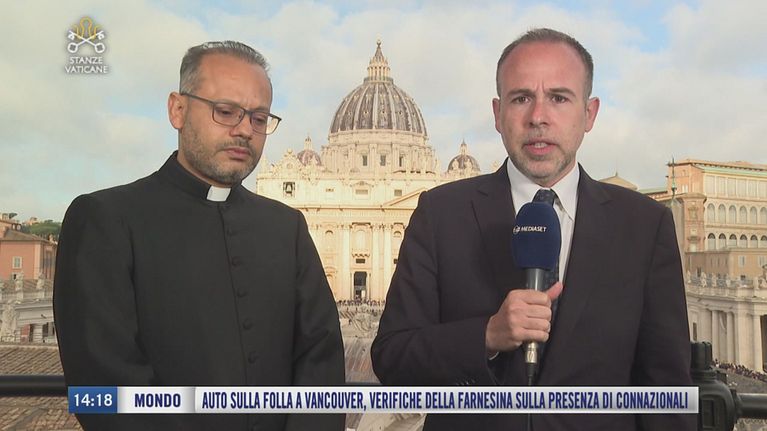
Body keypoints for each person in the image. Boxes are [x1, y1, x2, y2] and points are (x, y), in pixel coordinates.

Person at [371, 28, 694, 430]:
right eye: (521, 98)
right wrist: (486, 335)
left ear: (589, 113)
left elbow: (667, 392)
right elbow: (392, 357)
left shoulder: (645, 225)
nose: (538, 117)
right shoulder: (440, 214)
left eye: (559, 98)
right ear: (497, 113)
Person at [54, 41, 345, 431]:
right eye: (225, 111)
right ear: (177, 110)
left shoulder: (287, 226)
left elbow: (321, 361)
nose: (245, 130)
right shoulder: (104, 218)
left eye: (259, 118)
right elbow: (104, 384)